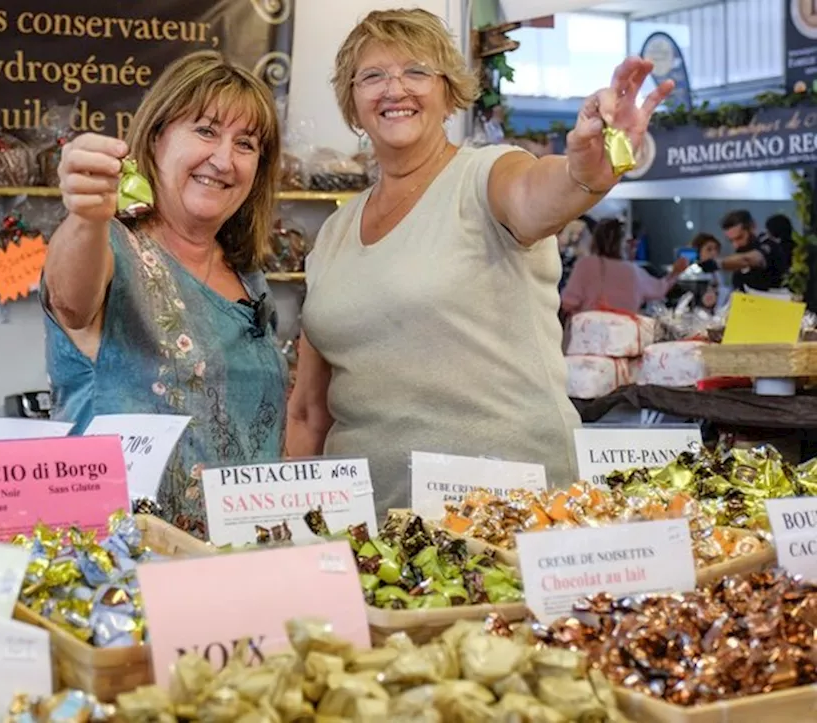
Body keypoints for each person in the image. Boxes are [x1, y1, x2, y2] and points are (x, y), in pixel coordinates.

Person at [286, 8, 674, 515]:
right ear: (353, 103)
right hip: (369, 528)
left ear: (449, 93)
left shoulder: (486, 174)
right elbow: (309, 409)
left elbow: (537, 194)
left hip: (502, 517)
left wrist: (585, 172)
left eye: (416, 71)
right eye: (372, 76)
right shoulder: (335, 232)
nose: (394, 88)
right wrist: (291, 522)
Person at [41, 51, 286, 538]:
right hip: (121, 568)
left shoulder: (248, 275)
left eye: (245, 143)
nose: (223, 159)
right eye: (205, 130)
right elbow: (71, 302)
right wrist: (86, 215)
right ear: (155, 139)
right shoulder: (111, 244)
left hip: (239, 560)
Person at [560, 218, 689, 314]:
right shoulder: (633, 271)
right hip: (624, 341)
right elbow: (659, 289)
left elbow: (569, 302)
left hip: (588, 340)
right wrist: (675, 273)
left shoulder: (586, 265)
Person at [700, 210, 791, 292]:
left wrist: (717, 264)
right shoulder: (741, 251)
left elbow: (751, 259)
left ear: (752, 227)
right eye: (731, 241)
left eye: (739, 238)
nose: (735, 245)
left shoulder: (768, 244)